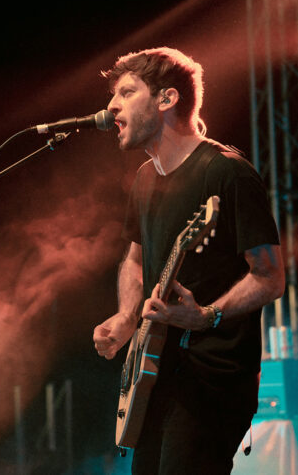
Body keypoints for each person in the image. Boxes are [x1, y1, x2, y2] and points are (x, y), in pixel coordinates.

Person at [92, 47, 286, 475]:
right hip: (157, 375)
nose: (111, 107)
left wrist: (208, 315)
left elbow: (270, 277)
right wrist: (127, 317)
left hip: (211, 379)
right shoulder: (145, 180)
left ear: (167, 99)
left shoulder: (227, 173)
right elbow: (135, 260)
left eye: (126, 92)